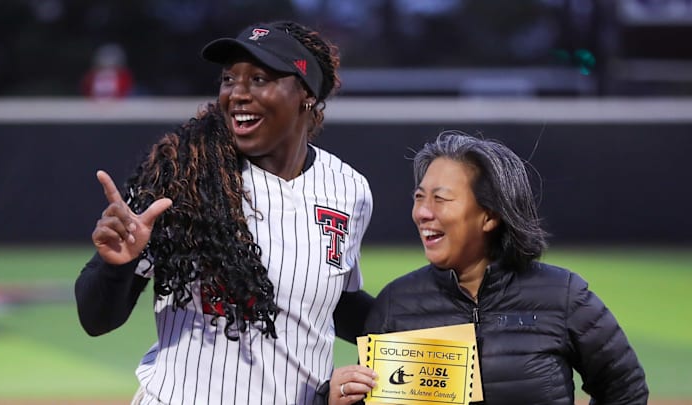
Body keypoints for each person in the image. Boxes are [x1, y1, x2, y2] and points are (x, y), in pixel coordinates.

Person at [74, 20, 374, 405]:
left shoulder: (349, 189)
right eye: (229, 79)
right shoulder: (183, 177)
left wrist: (421, 319)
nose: (238, 94)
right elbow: (96, 319)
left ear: (306, 95)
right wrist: (117, 266)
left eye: (259, 78)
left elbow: (335, 302)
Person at [320, 131, 648, 404]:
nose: (422, 212)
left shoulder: (563, 296)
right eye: (420, 197)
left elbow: (624, 387)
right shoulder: (397, 305)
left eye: (440, 199)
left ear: (490, 216)